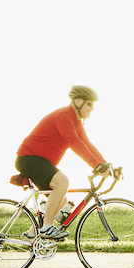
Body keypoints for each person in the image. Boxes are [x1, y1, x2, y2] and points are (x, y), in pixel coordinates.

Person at [16, 85, 113, 239]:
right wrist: (95, 165)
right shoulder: (64, 116)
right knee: (62, 182)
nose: (92, 108)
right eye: (90, 104)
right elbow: (73, 142)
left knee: (60, 201)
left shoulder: (76, 122)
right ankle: (47, 228)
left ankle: (31, 235)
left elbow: (88, 145)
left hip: (40, 161)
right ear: (79, 101)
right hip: (29, 158)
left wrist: (105, 165)